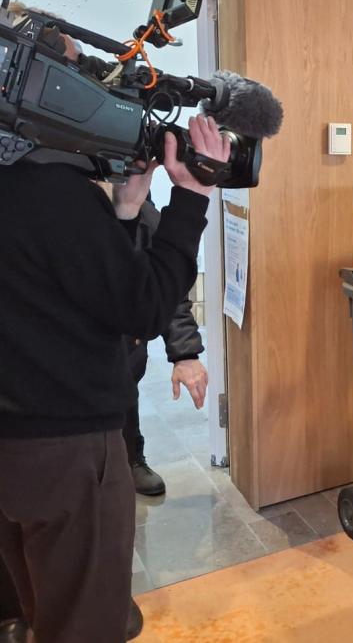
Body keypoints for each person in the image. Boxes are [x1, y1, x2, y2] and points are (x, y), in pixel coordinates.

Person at [0, 14, 230, 641]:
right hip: (64, 451)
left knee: (46, 609)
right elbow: (142, 307)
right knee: (84, 628)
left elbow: (74, 291)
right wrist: (192, 196)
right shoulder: (53, 189)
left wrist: (127, 212)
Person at [123, 196, 209, 496]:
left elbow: (165, 284)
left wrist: (185, 353)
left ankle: (131, 459)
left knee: (123, 397)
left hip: (122, 358)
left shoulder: (139, 206)